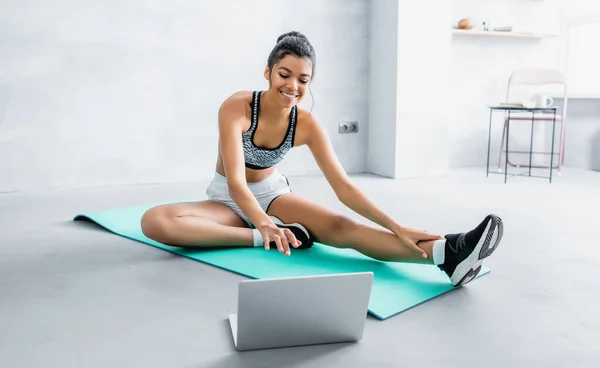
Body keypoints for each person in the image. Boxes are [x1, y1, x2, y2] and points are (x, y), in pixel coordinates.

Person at [140, 31, 504, 287]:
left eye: (303, 79)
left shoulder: (307, 124)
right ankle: (256, 237)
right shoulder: (237, 107)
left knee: (344, 229)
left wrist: (397, 225)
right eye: (284, 74)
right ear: (268, 73)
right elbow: (236, 182)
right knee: (154, 221)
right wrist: (264, 226)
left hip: (272, 195)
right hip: (227, 198)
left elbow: (343, 187)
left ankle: (449, 254)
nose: (292, 86)